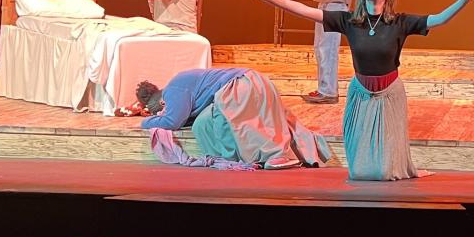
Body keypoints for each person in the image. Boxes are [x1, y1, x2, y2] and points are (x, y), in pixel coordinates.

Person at [249, 0, 474, 181]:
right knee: (359, 172)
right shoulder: (350, 20)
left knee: (384, 172)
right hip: (360, 94)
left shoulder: (399, 22)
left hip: (390, 96)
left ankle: (398, 167)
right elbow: (305, 11)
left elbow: (439, 19)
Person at [137, 68, 330, 169]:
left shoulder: (173, 90)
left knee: (236, 123)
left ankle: (276, 156)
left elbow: (172, 121)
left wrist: (144, 122)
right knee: (203, 123)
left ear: (162, 102)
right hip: (251, 82)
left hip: (239, 86)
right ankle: (241, 160)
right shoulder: (184, 85)